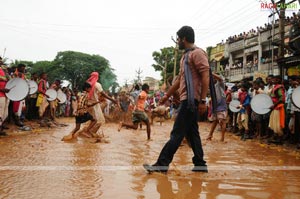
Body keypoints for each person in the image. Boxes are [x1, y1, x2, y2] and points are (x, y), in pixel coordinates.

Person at [143, 26, 209, 173]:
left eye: (178, 39)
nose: (177, 42)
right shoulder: (185, 57)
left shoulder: (198, 53)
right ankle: (200, 164)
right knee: (192, 133)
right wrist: (167, 95)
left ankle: (162, 164)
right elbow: (179, 80)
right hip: (187, 99)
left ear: (184, 39)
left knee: (177, 133)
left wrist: (203, 100)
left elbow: (206, 76)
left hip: (192, 100)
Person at [79, 71, 119, 138]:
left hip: (87, 105)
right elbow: (103, 94)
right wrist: (113, 100)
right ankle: (89, 133)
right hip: (94, 105)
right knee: (99, 121)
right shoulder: (97, 84)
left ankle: (87, 134)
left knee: (91, 121)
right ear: (97, 77)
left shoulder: (88, 83)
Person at [206, 73, 227, 142]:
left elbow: (220, 78)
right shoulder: (213, 86)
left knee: (222, 121)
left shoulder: (220, 83)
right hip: (215, 105)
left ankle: (222, 138)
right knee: (215, 121)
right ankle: (210, 135)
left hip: (221, 104)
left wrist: (211, 73)